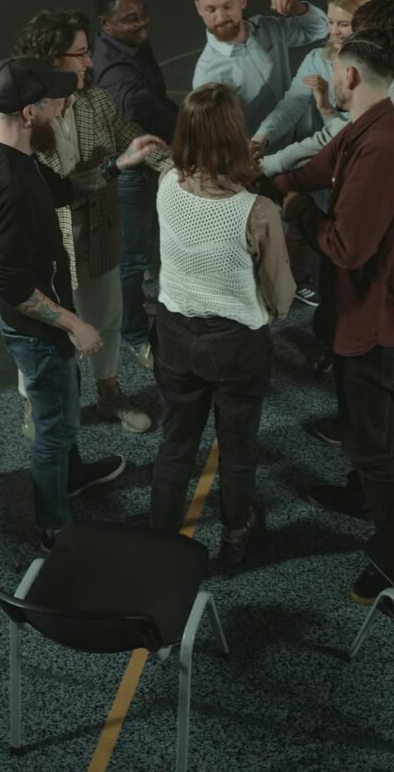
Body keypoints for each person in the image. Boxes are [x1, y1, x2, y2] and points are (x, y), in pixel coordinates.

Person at [0, 56, 163, 552]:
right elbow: (10, 283)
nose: (64, 107)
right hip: (37, 329)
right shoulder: (9, 185)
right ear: (30, 113)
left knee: (62, 406)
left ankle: (73, 476)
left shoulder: (15, 157)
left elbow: (56, 190)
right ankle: (55, 529)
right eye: (55, 101)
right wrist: (72, 323)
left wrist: (117, 165)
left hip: (44, 320)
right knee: (53, 431)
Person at [272, 29, 394, 603]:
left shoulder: (383, 150)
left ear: (350, 77)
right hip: (361, 312)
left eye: (335, 68)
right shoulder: (366, 126)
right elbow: (314, 171)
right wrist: (266, 181)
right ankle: (361, 496)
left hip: (376, 320)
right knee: (364, 421)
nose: (333, 76)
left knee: (372, 444)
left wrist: (293, 211)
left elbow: (346, 248)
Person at [0, 10, 170, 436]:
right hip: (47, 247)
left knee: (106, 317)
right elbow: (29, 194)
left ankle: (109, 393)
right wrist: (111, 168)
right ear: (51, 60)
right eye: (81, 54)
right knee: (42, 334)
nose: (90, 63)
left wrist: (186, 176)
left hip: (98, 232)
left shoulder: (97, 103)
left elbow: (139, 144)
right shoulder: (6, 122)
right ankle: (35, 402)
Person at [263, 0, 394, 426]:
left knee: (376, 319)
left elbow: (330, 142)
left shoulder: (390, 111)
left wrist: (281, 187)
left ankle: (370, 424)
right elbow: (333, 148)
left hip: (391, 229)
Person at [150, 83, 295, 565]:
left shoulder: (166, 183)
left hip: (173, 331)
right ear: (236, 135)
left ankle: (161, 540)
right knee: (236, 447)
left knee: (175, 444)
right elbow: (282, 294)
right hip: (235, 342)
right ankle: (235, 535)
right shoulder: (257, 212)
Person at [250, 0, 375, 307]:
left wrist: (325, 109)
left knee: (349, 227)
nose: (333, 31)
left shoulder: (375, 66)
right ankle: (298, 279)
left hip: (361, 160)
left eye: (343, 24)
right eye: (331, 22)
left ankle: (349, 293)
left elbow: (354, 125)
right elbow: (291, 104)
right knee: (300, 207)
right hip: (323, 154)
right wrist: (262, 137)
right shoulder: (318, 58)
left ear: (364, 23)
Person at [92, 0, 179, 366]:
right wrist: (192, 130)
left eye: (143, 13)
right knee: (131, 257)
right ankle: (133, 333)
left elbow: (158, 98)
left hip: (147, 160)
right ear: (106, 24)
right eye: (131, 18)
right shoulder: (115, 71)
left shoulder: (132, 45)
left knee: (148, 245)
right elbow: (142, 105)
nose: (143, 22)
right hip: (131, 170)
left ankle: (147, 301)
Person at [191, 0, 328, 145]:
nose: (221, 17)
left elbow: (320, 29)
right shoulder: (207, 77)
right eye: (211, 9)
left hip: (296, 135)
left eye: (227, 6)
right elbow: (216, 139)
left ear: (242, 0)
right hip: (259, 157)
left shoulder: (267, 28)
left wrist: (297, 7)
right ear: (199, 9)